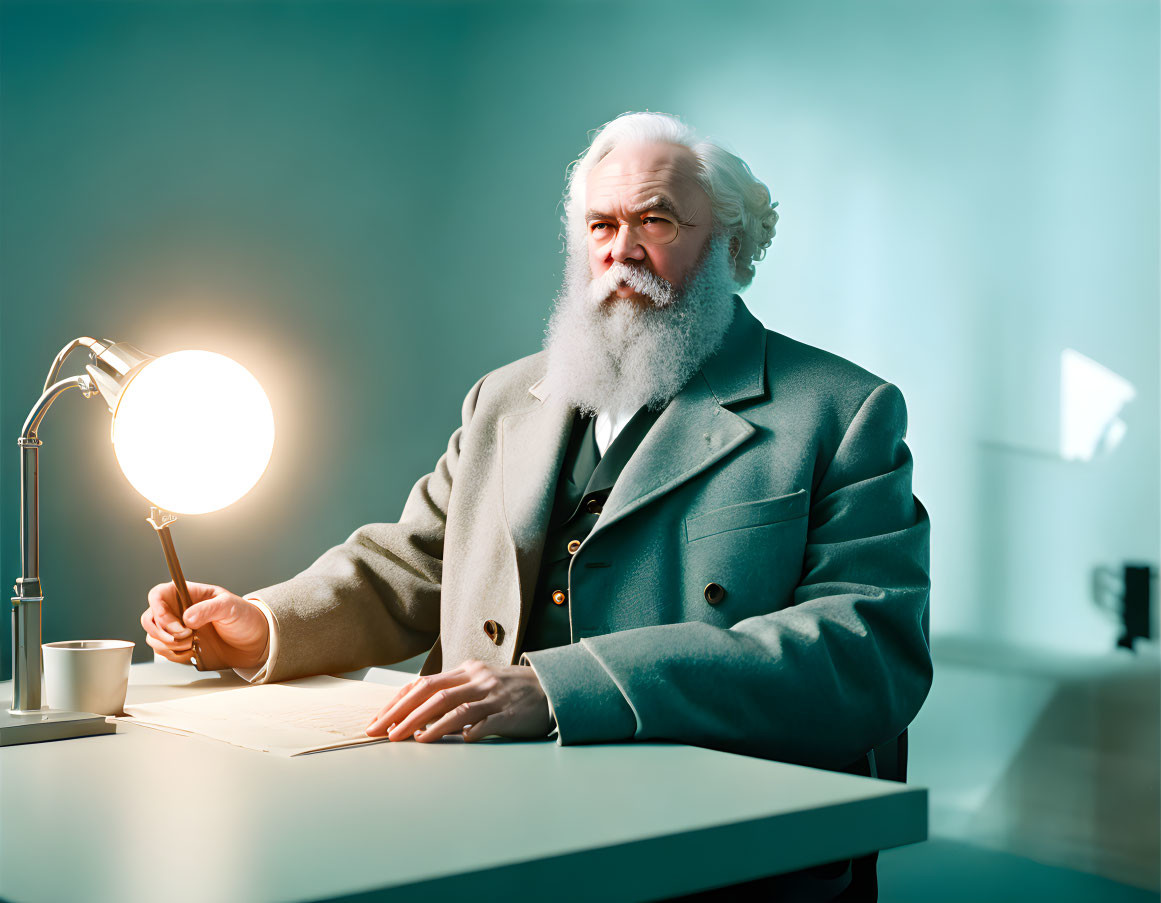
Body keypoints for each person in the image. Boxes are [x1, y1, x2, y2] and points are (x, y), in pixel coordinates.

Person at [141, 111, 931, 900]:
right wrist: (266, 624)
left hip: (700, 838)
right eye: (601, 224)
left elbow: (863, 652)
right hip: (479, 814)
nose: (621, 251)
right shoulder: (504, 396)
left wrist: (561, 687)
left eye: (655, 220)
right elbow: (414, 562)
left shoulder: (840, 410)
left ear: (729, 243)